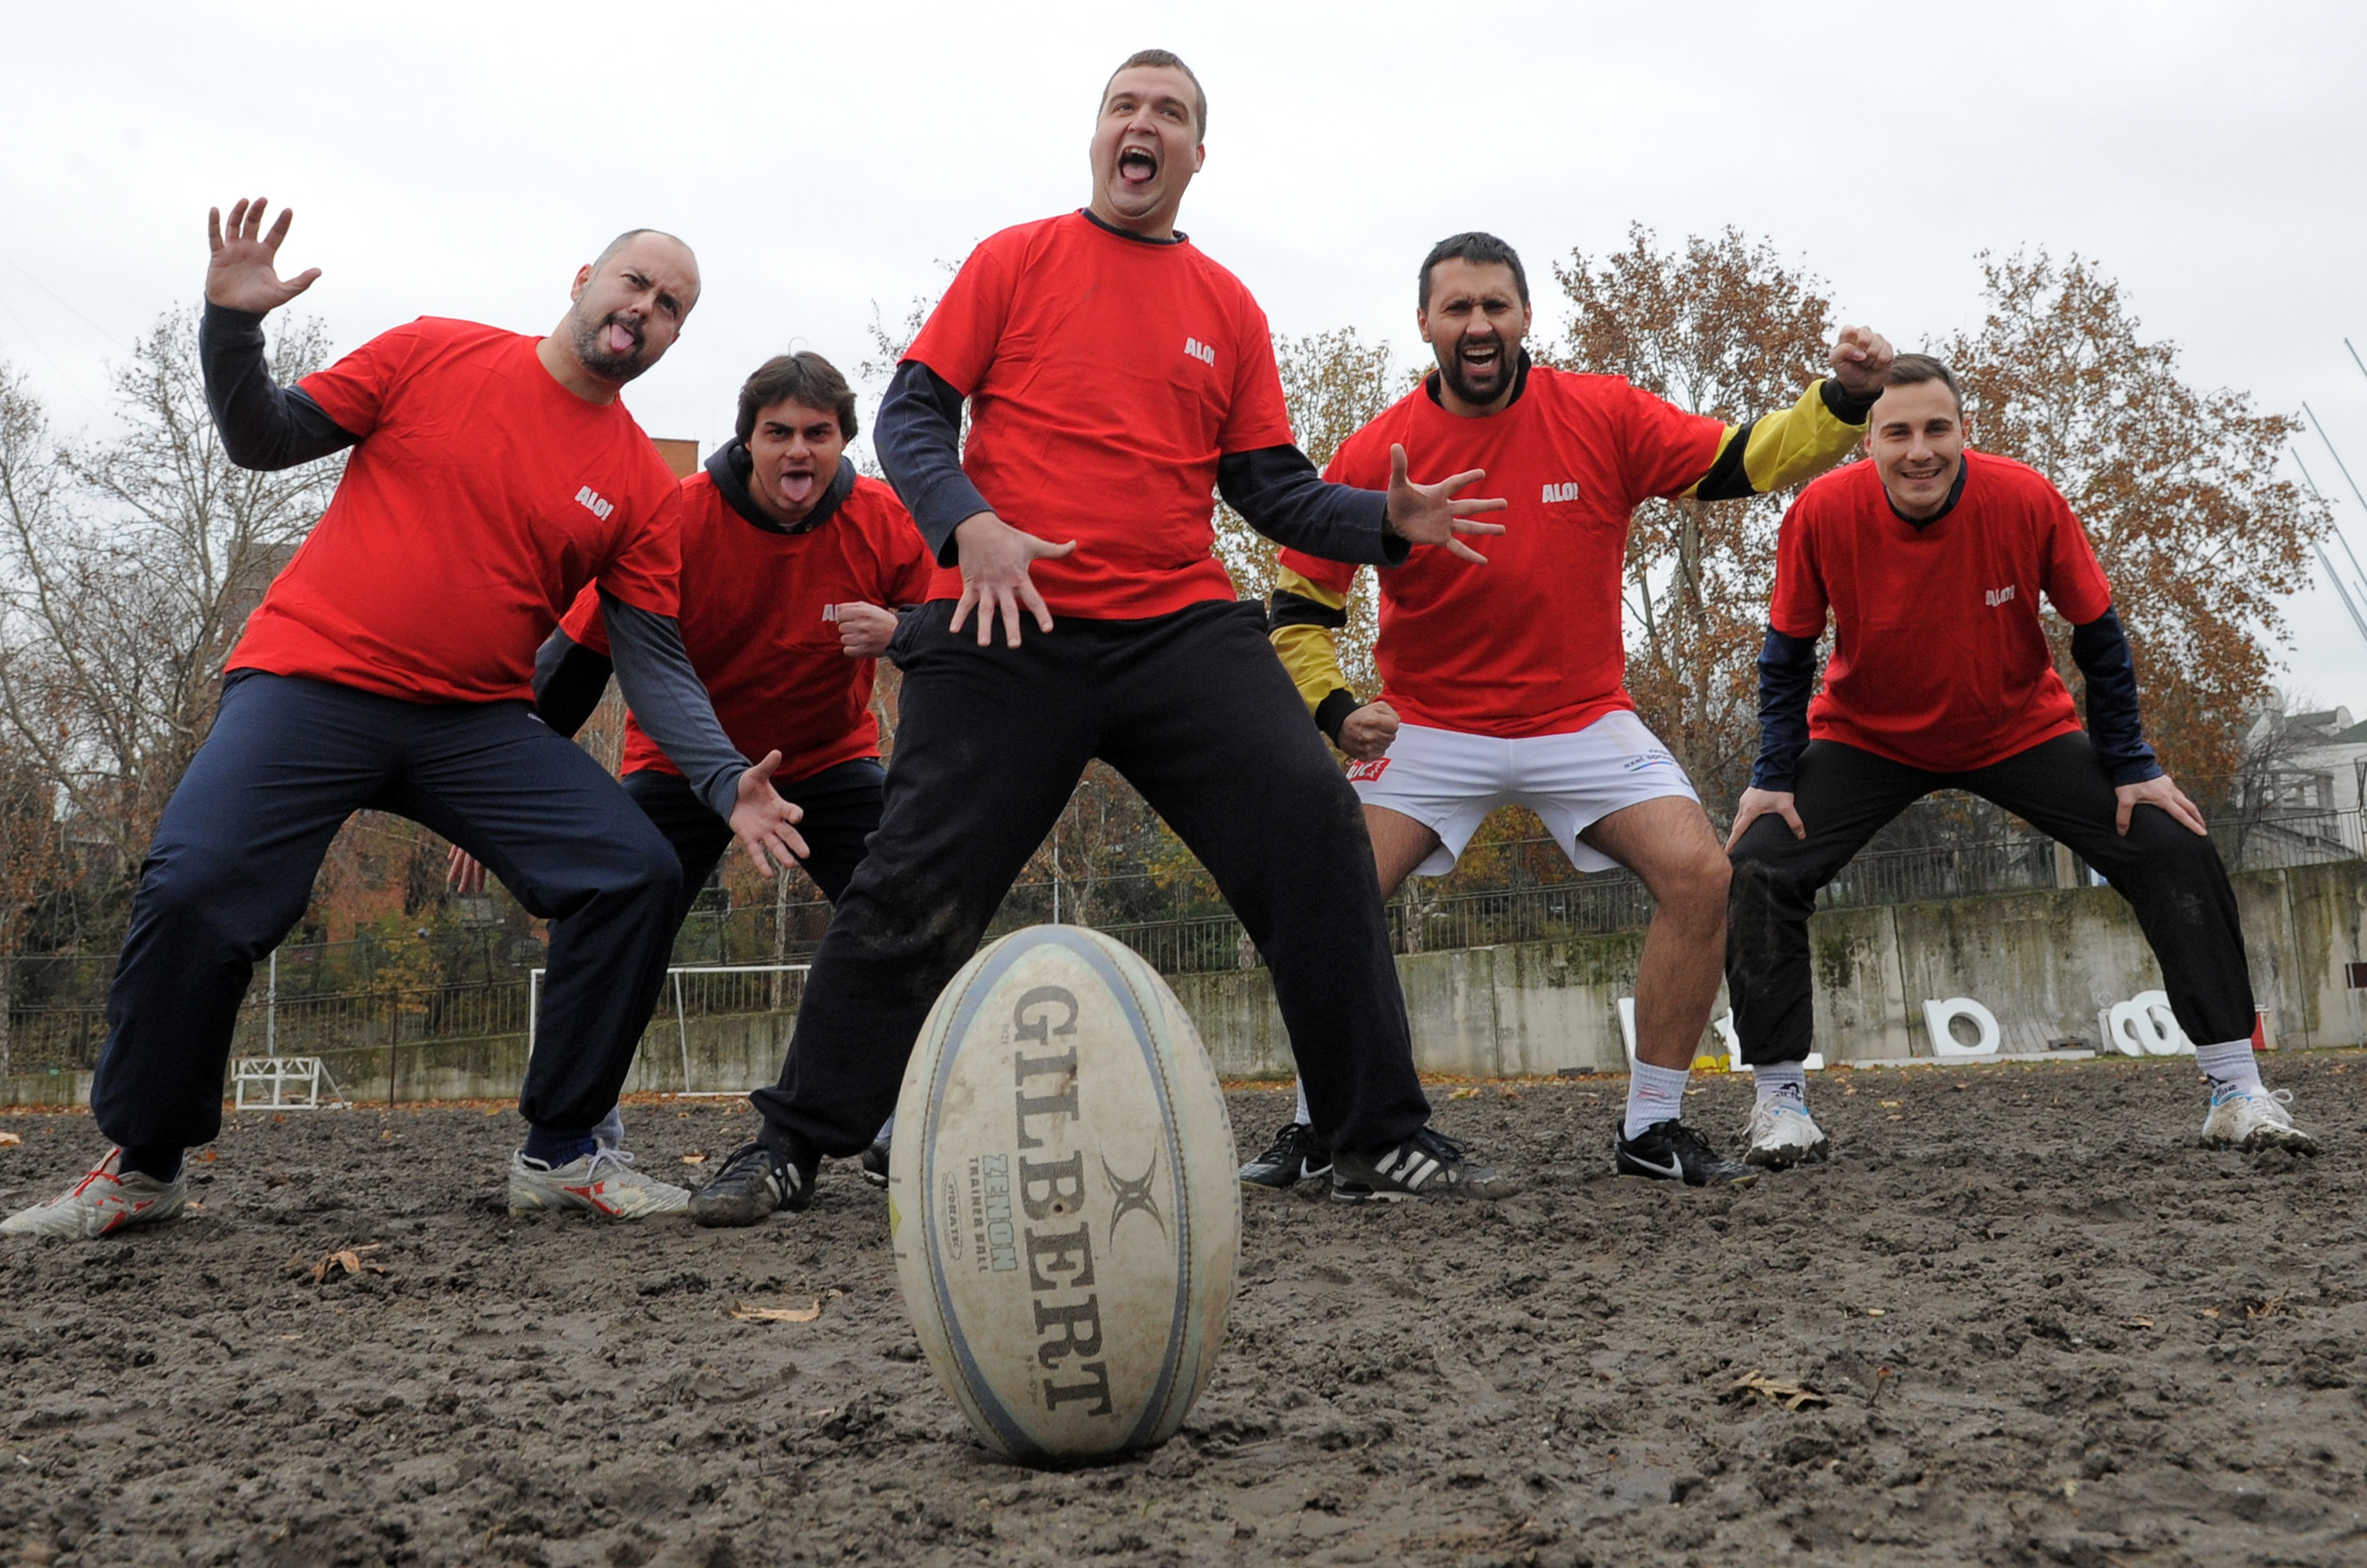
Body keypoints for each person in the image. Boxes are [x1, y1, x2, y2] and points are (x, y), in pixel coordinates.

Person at [689, 48, 1511, 1226]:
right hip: (1007, 619)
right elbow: (913, 412)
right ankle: (790, 1145)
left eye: (1169, 112)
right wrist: (967, 523)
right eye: (1125, 105)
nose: (1144, 123)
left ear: (1195, 154)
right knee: (911, 881)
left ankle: (1373, 1134)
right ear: (1097, 137)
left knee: (1315, 824)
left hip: (1178, 627)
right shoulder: (1015, 260)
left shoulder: (1228, 305)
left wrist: (1385, 521)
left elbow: (1269, 487)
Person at [1, 199, 806, 1240]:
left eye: (672, 306)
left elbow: (650, 658)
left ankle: (563, 1152)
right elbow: (262, 437)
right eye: (635, 283)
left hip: (473, 720)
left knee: (633, 870)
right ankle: (145, 1166)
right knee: (196, 887)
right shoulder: (434, 353)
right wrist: (232, 327)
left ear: (673, 337)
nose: (646, 309)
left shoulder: (642, 488)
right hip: (309, 684)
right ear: (583, 281)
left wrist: (723, 778)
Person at [1249, 231, 1892, 1192]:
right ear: (1423, 323)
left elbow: (1739, 459)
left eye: (1494, 305)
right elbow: (1300, 607)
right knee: (1325, 891)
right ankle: (1319, 1124)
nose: (1477, 324)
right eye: (1457, 307)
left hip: (1582, 719)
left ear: (1524, 317)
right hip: (1428, 727)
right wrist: (1336, 709)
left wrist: (1840, 400)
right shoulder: (1378, 450)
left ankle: (1651, 1127)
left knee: (1700, 875)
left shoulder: (1600, 412)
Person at [1723, 353, 2317, 1164]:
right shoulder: (1820, 512)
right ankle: (1781, 1105)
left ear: (1965, 431)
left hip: (2016, 728)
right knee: (1759, 862)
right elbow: (1786, 655)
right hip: (1868, 736)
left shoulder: (2025, 497)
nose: (1919, 450)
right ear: (1869, 442)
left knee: (2171, 842)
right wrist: (1772, 777)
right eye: (1898, 433)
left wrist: (2132, 763)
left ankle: (2236, 1091)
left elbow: (2098, 636)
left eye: (1937, 429)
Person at [452, 351, 930, 1179]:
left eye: (818, 434)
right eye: (777, 432)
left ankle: (901, 1108)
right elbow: (575, 661)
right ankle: (577, 1123)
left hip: (827, 760)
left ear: (843, 442)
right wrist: (494, 788)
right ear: (747, 441)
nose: (798, 451)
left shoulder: (885, 521)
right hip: (682, 767)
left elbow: (953, 639)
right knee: (614, 904)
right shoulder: (675, 516)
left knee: (914, 902)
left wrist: (906, 631)